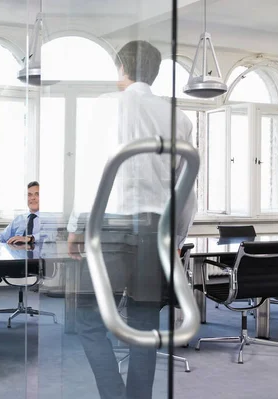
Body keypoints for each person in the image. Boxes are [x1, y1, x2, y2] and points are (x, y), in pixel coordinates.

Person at [66, 40, 197, 399]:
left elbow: (93, 171)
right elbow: (185, 188)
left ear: (121, 68)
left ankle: (113, 394)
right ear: (154, 73)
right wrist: (177, 236)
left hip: (109, 227)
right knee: (144, 324)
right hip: (155, 231)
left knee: (89, 320)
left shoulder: (107, 108)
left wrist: (77, 226)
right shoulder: (179, 118)